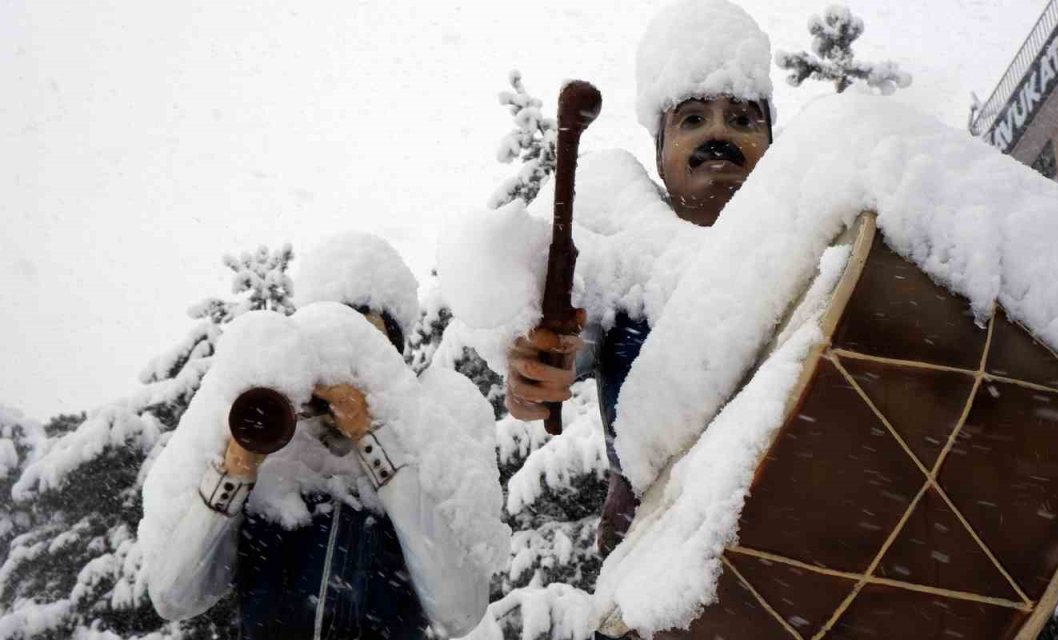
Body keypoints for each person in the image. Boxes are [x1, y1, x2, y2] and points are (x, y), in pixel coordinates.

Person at [503, 0, 774, 554]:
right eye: (692, 119)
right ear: (660, 151)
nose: (718, 133)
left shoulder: (823, 247)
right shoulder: (621, 261)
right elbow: (562, 348)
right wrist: (536, 373)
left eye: (743, 119)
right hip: (650, 573)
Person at [141, 232, 503, 639]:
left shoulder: (434, 425)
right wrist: (238, 466)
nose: (341, 360)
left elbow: (460, 612)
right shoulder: (274, 439)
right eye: (328, 339)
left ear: (390, 360)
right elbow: (174, 597)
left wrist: (373, 438)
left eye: (364, 344)